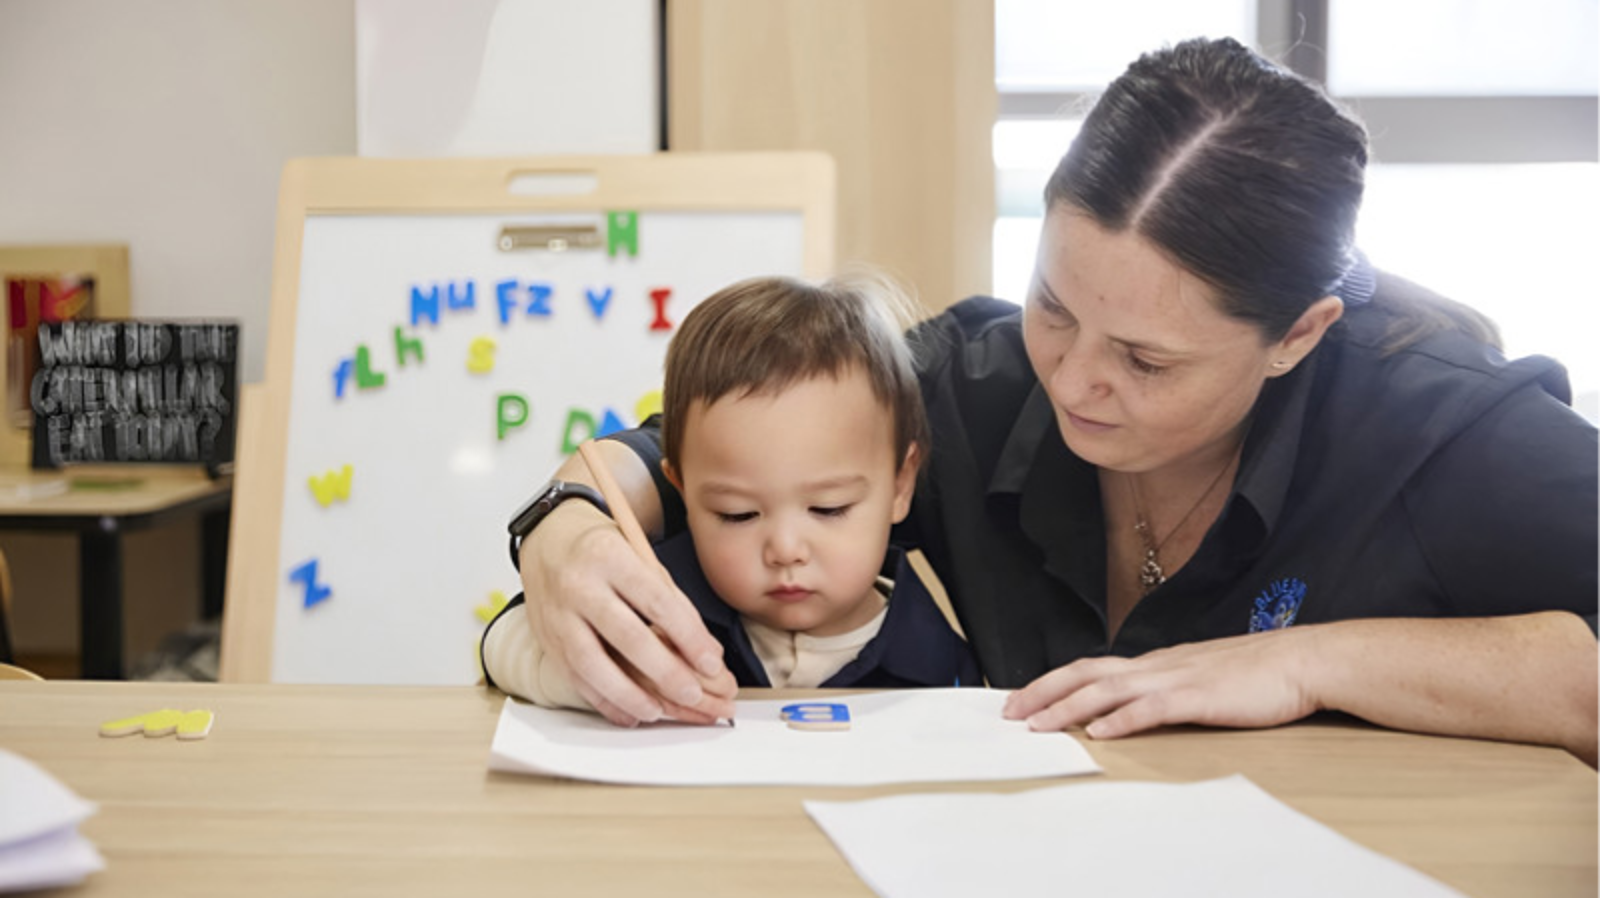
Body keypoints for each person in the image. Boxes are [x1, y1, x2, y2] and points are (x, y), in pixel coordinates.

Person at [507, 37, 1600, 765]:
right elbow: (677, 456)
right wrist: (561, 528)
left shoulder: (1438, 432)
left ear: (1298, 335)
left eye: (1146, 360)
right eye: (1053, 306)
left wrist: (1312, 659)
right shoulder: (971, 387)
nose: (1073, 379)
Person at [483, 274, 980, 712]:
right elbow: (501, 644)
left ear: (901, 483)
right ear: (681, 490)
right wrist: (598, 678)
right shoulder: (659, 591)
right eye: (737, 514)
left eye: (829, 509)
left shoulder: (938, 653)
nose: (785, 549)